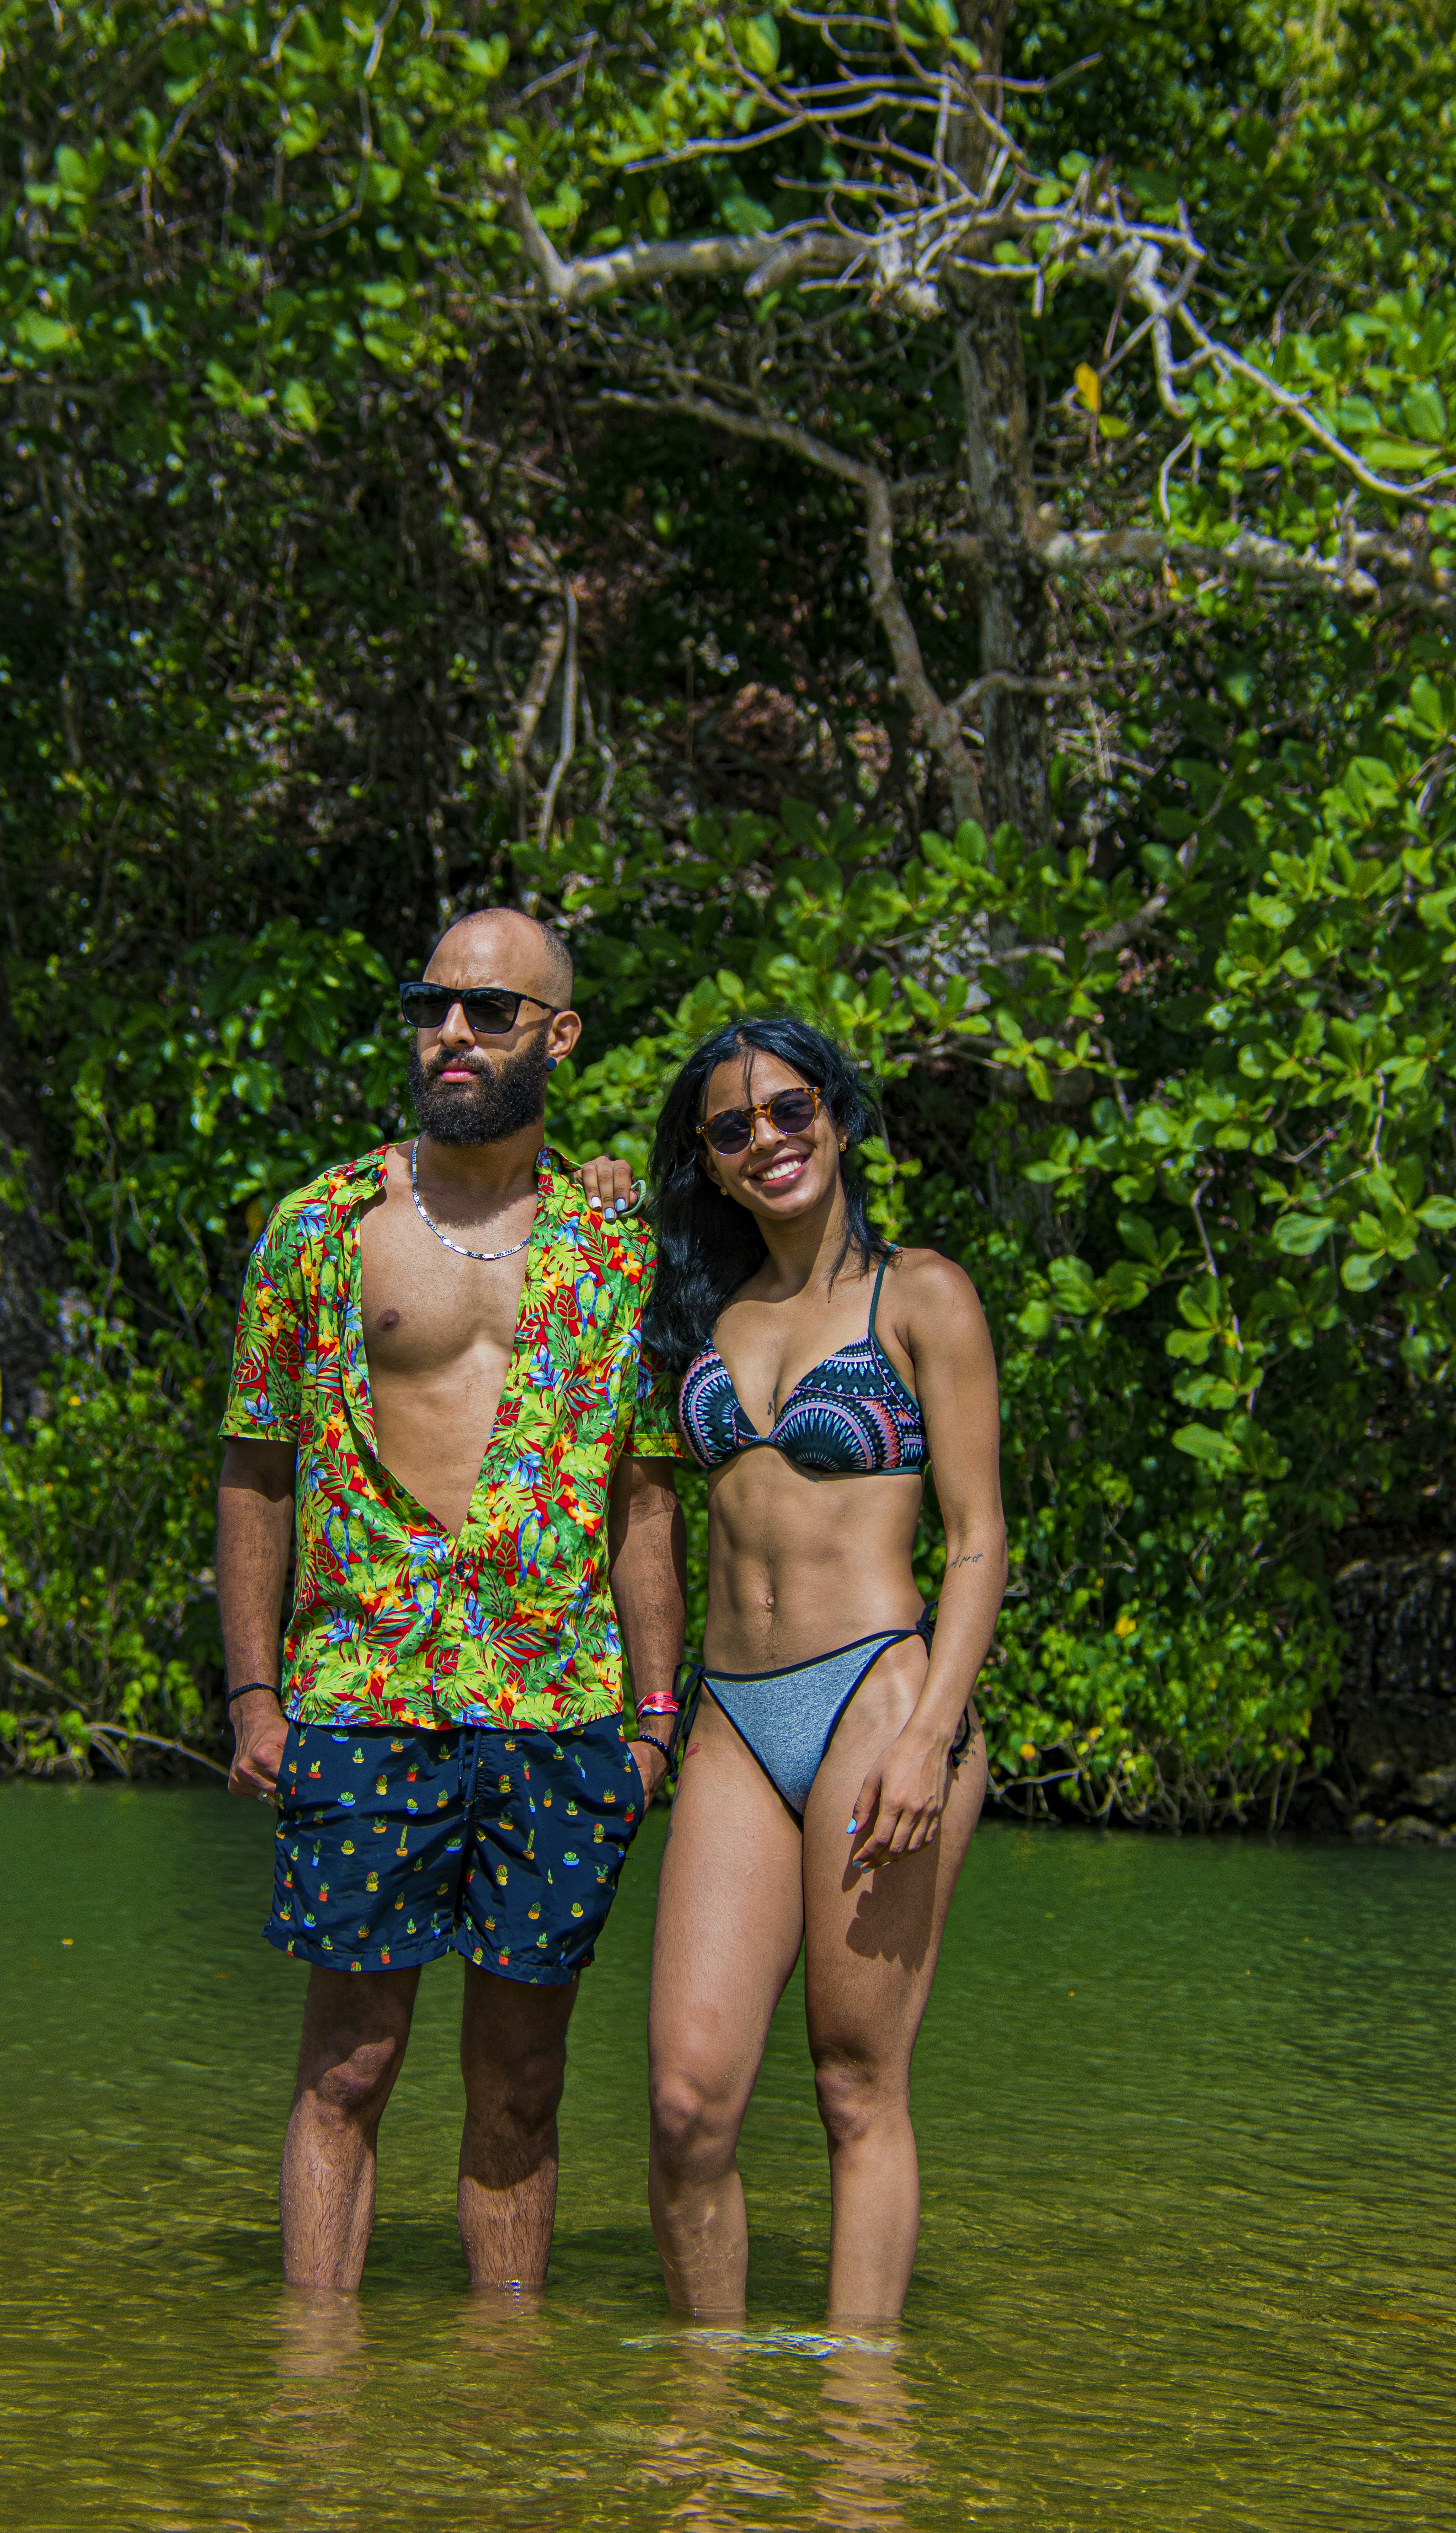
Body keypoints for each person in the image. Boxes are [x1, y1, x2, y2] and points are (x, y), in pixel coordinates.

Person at [216, 906, 687, 2295]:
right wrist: (252, 1692)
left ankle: (501, 2415)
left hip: (560, 1710)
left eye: (490, 1012)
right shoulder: (320, 1227)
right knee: (348, 2067)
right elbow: (255, 1471)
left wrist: (655, 1724)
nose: (454, 1036)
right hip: (365, 1697)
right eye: (433, 1010)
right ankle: (313, 2406)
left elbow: (643, 1501)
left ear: (559, 1035)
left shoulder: (619, 1245)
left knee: (525, 2087)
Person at [629, 1012, 1005, 2323]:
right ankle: (706, 2438)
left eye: (791, 1111)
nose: (768, 1142)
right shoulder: (693, 1308)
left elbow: (979, 1542)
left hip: (879, 1699)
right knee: (687, 2102)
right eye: (732, 1130)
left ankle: (858, 2441)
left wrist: (930, 1733)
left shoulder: (923, 1295)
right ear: (712, 1164)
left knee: (855, 2083)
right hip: (733, 1716)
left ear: (838, 1117)